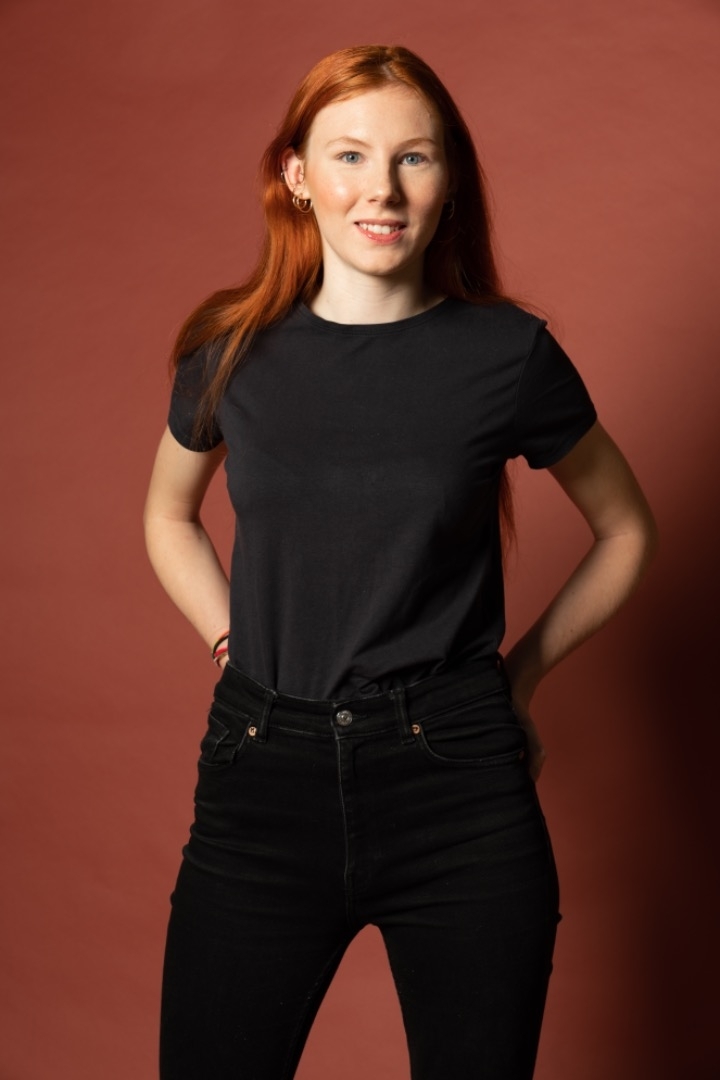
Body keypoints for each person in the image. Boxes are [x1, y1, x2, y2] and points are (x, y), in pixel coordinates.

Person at [144, 44, 657, 1080]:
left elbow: (627, 530)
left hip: (457, 784)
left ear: (448, 178)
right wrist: (233, 639)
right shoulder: (231, 352)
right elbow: (167, 513)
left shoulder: (508, 358)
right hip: (263, 776)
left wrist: (517, 681)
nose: (380, 188)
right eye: (349, 155)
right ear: (296, 175)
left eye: (413, 157)